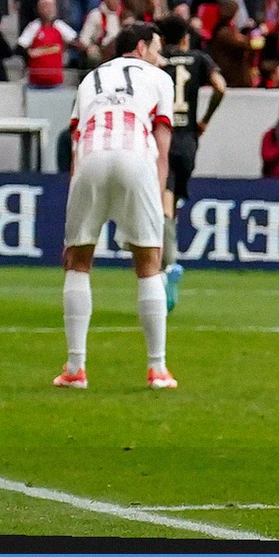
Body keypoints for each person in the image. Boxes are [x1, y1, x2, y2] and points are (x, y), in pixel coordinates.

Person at [54, 23, 177, 391]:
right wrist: (157, 200)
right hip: (136, 157)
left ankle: (75, 368)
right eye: (157, 48)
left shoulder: (89, 79)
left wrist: (73, 211)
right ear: (140, 47)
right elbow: (163, 146)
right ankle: (157, 369)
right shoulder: (159, 78)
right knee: (149, 263)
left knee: (78, 261)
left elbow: (75, 142)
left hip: (90, 156)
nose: (160, 57)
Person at [157, 15, 227, 309]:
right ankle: (166, 265)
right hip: (188, 141)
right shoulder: (199, 59)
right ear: (186, 38)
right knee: (171, 203)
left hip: (163, 138)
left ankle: (167, 266)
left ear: (162, 40)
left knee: (162, 203)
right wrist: (204, 121)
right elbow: (220, 87)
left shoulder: (158, 61)